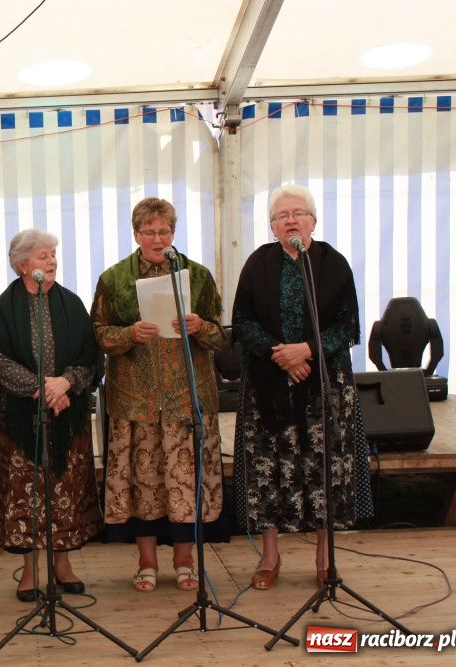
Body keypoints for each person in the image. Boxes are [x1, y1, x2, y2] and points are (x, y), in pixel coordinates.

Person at [232, 184, 373, 590]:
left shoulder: (333, 264)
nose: (290, 220)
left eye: (298, 213)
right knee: (268, 470)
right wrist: (281, 354)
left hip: (323, 384)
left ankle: (324, 559)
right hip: (269, 383)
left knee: (325, 469)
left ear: (313, 221)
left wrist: (307, 351)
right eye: (282, 216)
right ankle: (269, 557)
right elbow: (241, 322)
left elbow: (347, 325)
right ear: (272, 226)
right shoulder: (257, 263)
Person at [91, 196, 227, 593]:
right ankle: (146, 562)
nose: (157, 239)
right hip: (136, 399)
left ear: (173, 232)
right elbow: (98, 334)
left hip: (186, 397)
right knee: (143, 486)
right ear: (135, 234)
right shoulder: (114, 278)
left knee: (184, 484)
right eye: (149, 232)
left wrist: (200, 326)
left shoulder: (197, 276)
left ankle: (184, 562)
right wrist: (129, 333)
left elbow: (220, 337)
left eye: (164, 231)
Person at [0, 228, 102, 601]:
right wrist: (43, 388)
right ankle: (31, 571)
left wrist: (65, 384)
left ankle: (63, 566)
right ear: (23, 266)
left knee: (66, 490)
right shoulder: (5, 308)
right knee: (27, 495)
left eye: (53, 254)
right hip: (22, 418)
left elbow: (90, 355)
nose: (51, 261)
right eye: (43, 256)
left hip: (67, 413)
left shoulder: (72, 303)